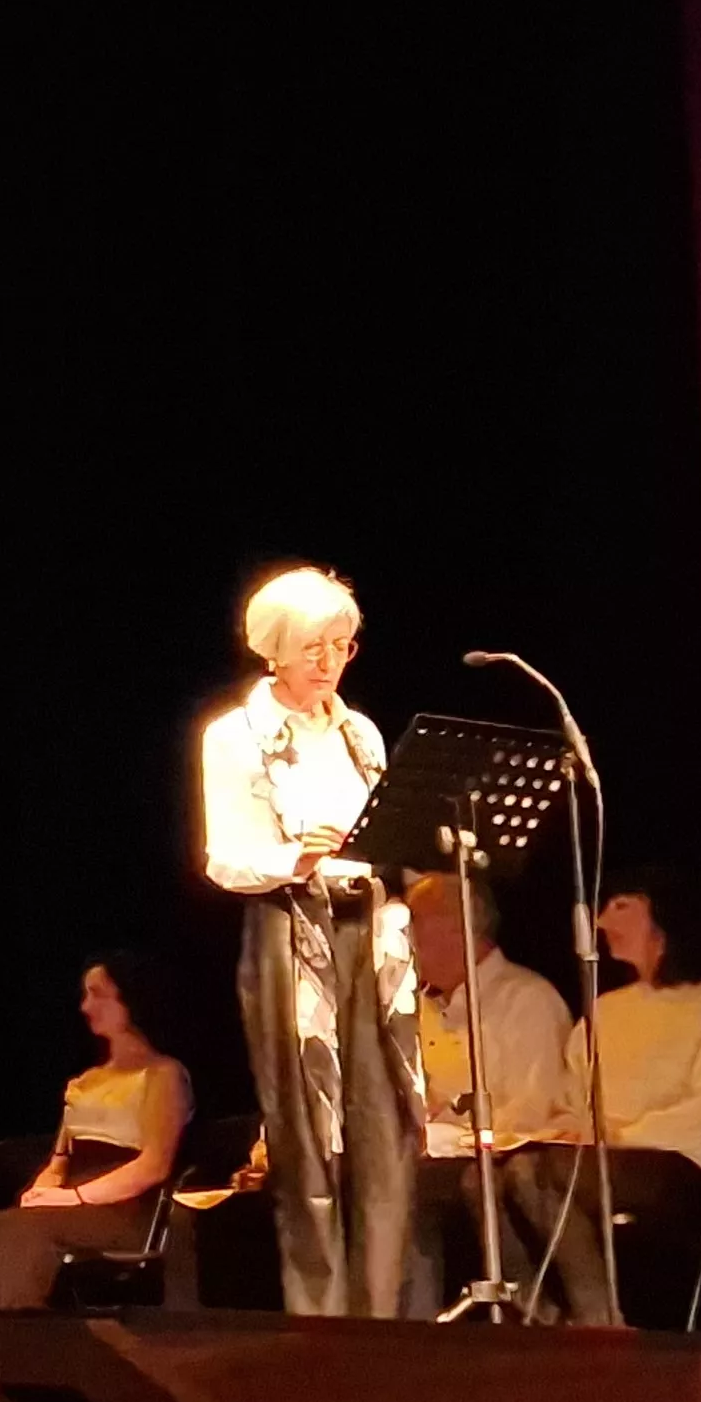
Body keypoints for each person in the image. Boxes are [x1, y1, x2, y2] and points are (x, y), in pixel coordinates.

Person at [199, 564, 419, 1317]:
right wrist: (298, 857)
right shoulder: (236, 738)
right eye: (311, 648)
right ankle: (320, 1324)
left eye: (342, 645)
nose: (328, 662)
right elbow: (224, 857)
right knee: (309, 1141)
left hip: (373, 933)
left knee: (385, 1130)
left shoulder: (361, 735)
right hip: (292, 933)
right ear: (273, 650)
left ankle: (386, 1321)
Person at [523, 870, 701, 1327]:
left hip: (678, 1164)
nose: (603, 921)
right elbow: (575, 1099)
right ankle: (542, 1312)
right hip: (599, 1158)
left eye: (621, 905)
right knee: (496, 1179)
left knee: (553, 1173)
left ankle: (597, 1315)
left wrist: (619, 1136)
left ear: (663, 914)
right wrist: (572, 1129)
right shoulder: (607, 1010)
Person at [0, 957, 198, 1309]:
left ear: (129, 999)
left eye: (97, 994)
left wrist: (75, 1198)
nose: (85, 1006)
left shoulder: (163, 1075)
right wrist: (43, 1189)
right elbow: (60, 1161)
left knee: (25, 1232)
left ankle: (20, 1334)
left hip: (125, 1211)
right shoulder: (84, 1083)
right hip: (71, 1203)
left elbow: (154, 1164)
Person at [399, 872, 592, 1320]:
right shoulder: (419, 1009)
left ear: (460, 927)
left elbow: (531, 1113)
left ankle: (537, 1312)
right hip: (442, 1155)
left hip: (507, 1159)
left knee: (406, 1186)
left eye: (417, 923)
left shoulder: (526, 999)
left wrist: (440, 1135)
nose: (406, 939)